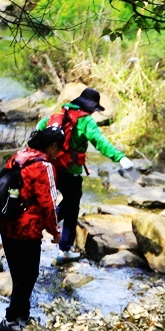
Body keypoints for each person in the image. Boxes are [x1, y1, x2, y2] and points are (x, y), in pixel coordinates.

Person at [38, 87, 135, 261]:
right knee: (71, 207)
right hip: (70, 171)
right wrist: (120, 158)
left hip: (51, 167)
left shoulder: (59, 114)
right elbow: (100, 142)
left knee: (66, 203)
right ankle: (61, 246)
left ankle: (44, 226)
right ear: (90, 107)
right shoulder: (86, 121)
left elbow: (39, 127)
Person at [0, 126, 63, 331]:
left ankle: (21, 315)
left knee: (18, 273)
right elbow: (49, 204)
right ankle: (12, 319)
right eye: (58, 148)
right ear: (52, 146)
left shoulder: (19, 157)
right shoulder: (44, 166)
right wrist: (55, 231)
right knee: (28, 275)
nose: (59, 153)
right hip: (27, 228)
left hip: (7, 222)